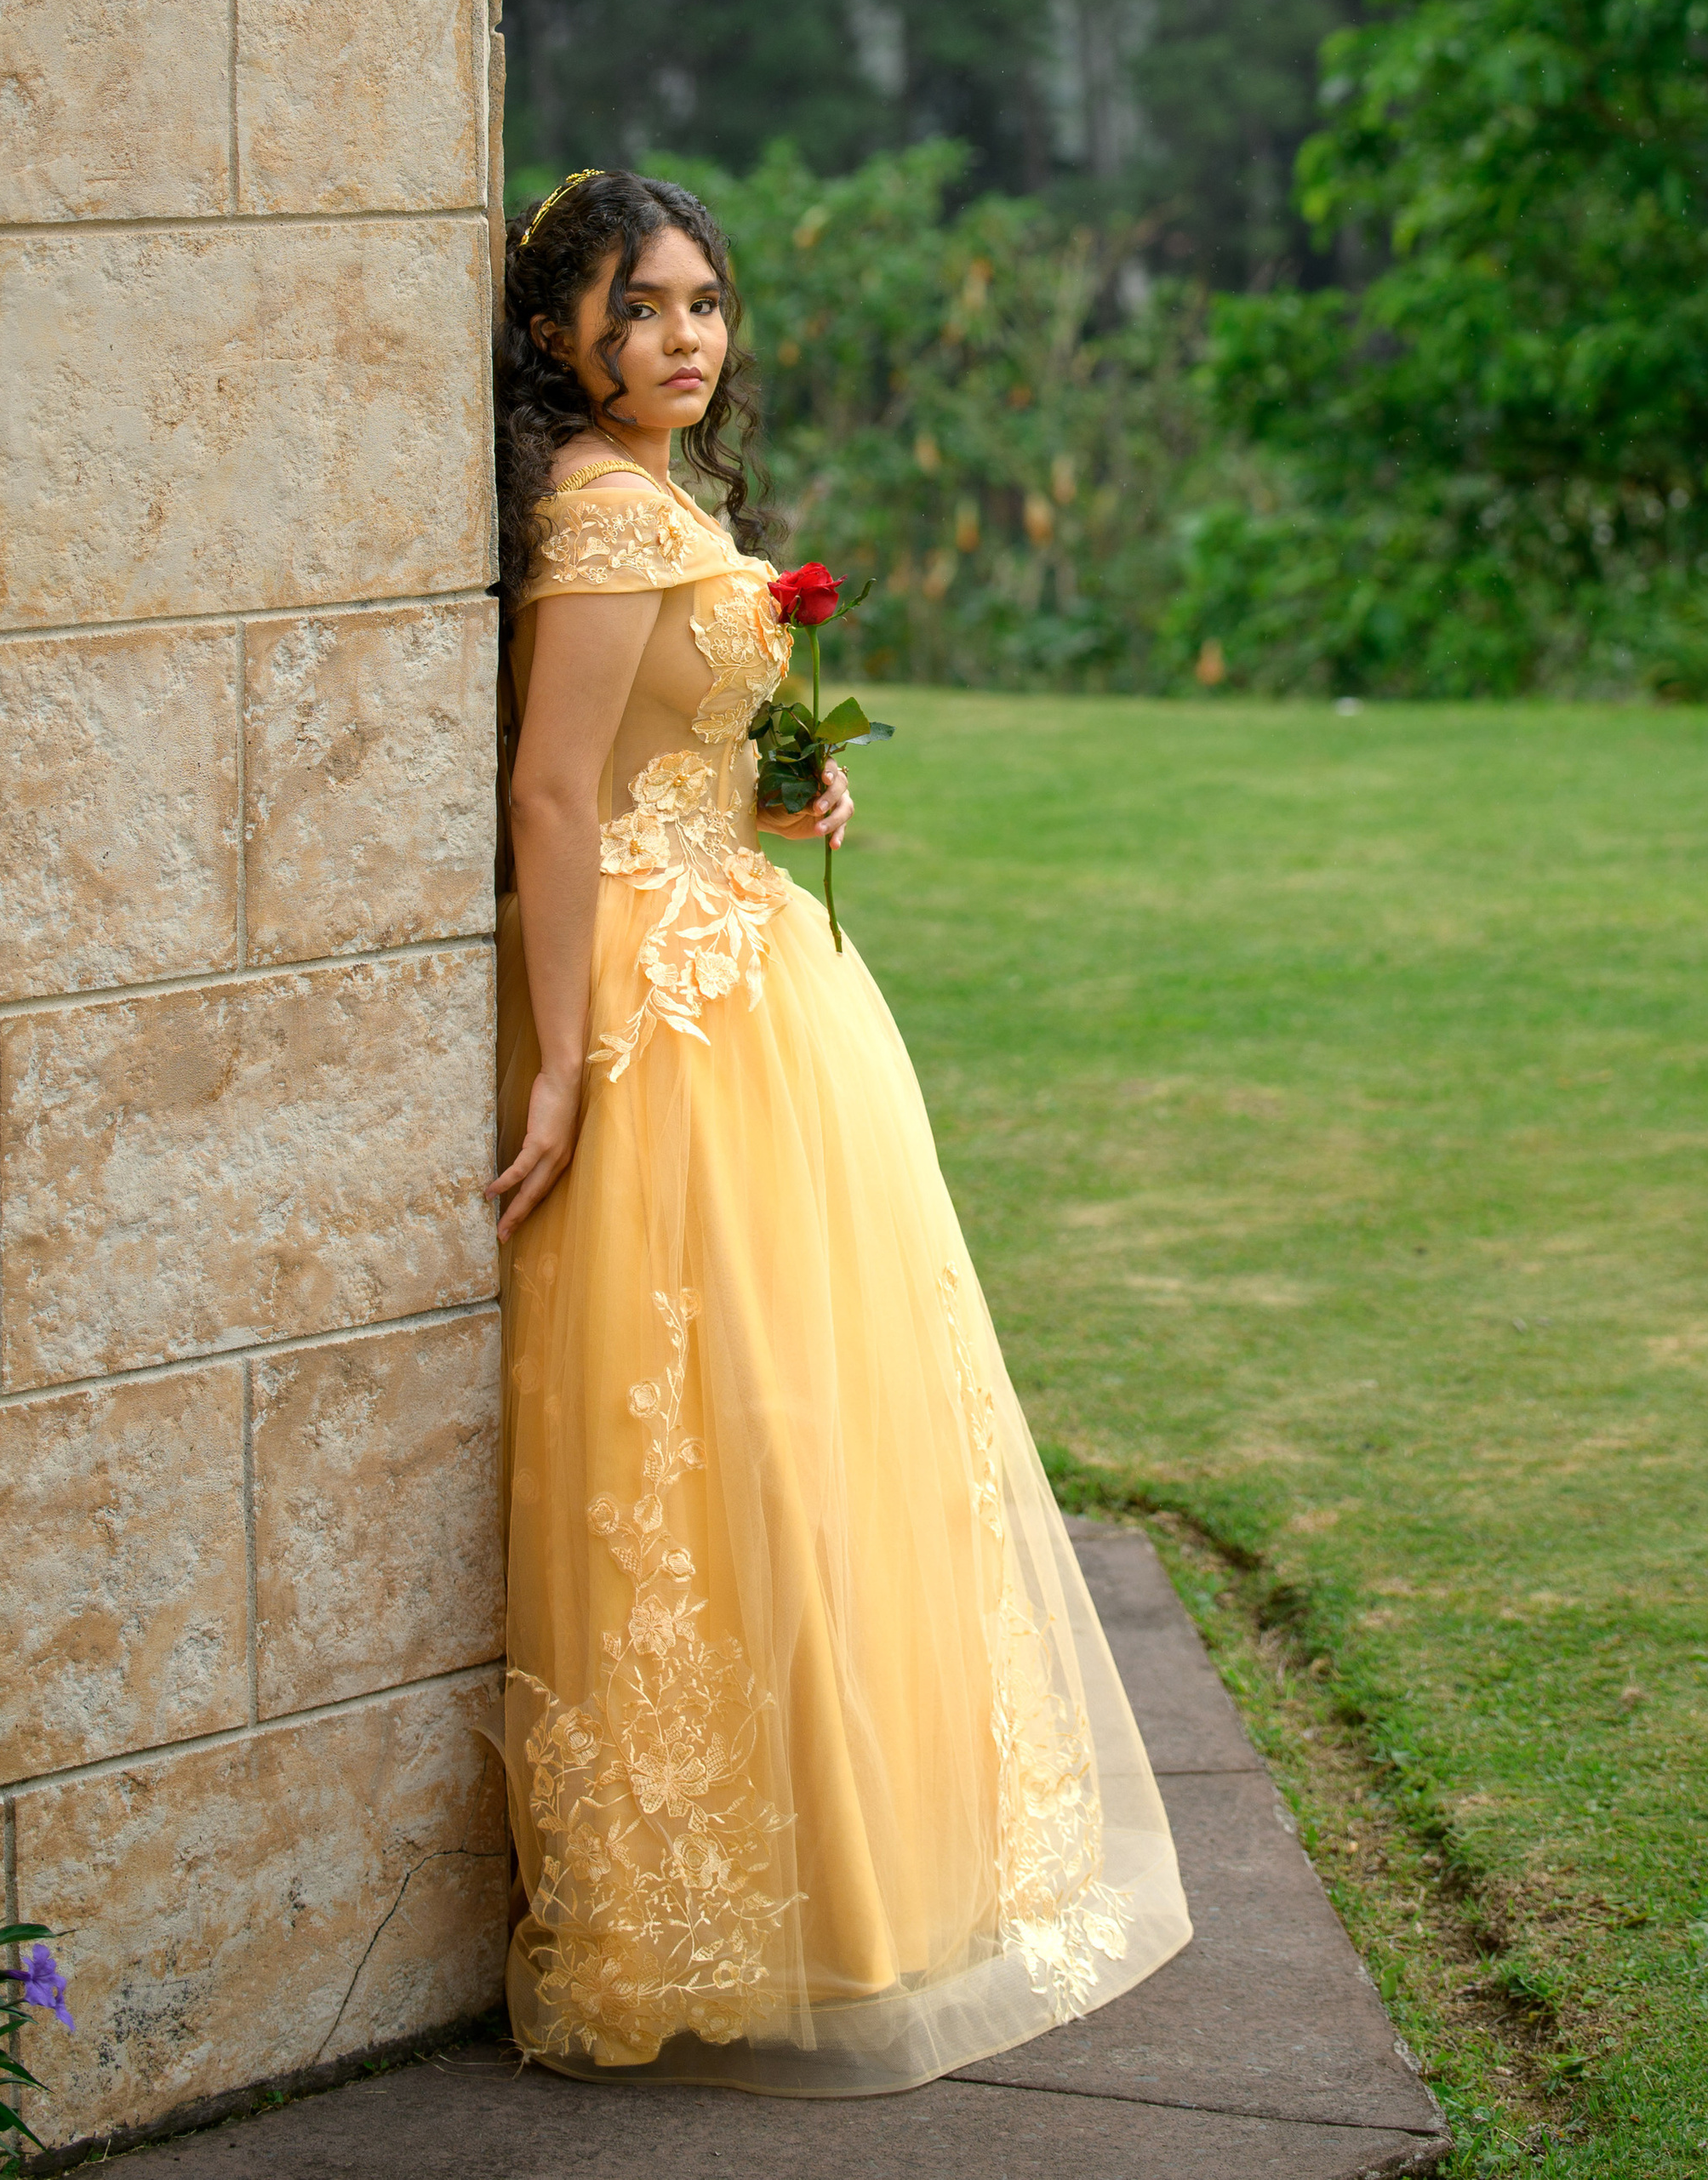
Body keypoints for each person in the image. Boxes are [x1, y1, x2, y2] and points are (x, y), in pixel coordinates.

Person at [489, 168, 1190, 2094]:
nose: (685, 341)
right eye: (640, 309)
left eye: (705, 304)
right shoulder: (600, 513)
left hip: (749, 968)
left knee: (813, 1416)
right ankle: (731, 1892)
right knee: (720, 1428)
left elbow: (661, 752)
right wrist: (559, 1057)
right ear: (561, 329)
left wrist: (774, 797)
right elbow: (554, 799)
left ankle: (850, 1871)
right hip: (661, 999)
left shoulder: (656, 498)